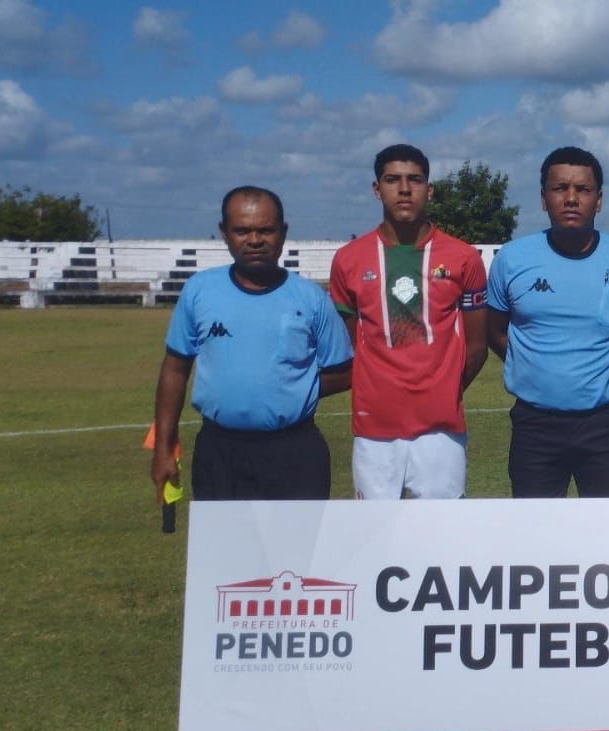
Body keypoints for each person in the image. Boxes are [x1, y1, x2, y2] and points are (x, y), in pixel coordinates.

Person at [151, 186, 352, 502]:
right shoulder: (199, 291)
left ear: (282, 233)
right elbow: (175, 370)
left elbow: (345, 371)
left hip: (295, 451)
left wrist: (289, 388)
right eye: (242, 230)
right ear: (224, 233)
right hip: (218, 451)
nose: (255, 240)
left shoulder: (310, 297)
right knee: (223, 550)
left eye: (265, 230)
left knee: (296, 551)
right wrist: (163, 448)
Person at [486, 146, 609, 497]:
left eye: (583, 189)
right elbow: (494, 329)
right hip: (535, 425)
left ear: (600, 199)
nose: (571, 198)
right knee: (535, 540)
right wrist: (536, 368)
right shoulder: (512, 260)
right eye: (560, 188)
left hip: (608, 424)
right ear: (544, 198)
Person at [329, 144, 488, 499]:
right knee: (375, 540)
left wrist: (443, 390)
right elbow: (352, 343)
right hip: (374, 430)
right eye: (393, 180)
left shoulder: (463, 258)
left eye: (414, 180)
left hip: (440, 432)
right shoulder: (348, 260)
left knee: (441, 542)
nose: (404, 189)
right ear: (376, 189)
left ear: (429, 190)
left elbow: (477, 347)